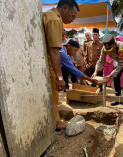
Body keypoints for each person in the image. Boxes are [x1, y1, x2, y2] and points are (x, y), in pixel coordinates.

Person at [43, 0, 79, 130]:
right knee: (54, 94)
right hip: (49, 64)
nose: (73, 19)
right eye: (73, 15)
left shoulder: (50, 16)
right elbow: (53, 50)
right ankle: (56, 122)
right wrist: (59, 77)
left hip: (48, 63)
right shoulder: (54, 20)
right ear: (64, 8)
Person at [92, 34, 123, 110]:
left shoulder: (122, 47)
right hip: (119, 61)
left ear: (114, 44)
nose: (110, 51)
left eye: (111, 49)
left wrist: (110, 75)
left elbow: (121, 65)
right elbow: (101, 61)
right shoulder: (104, 48)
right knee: (116, 78)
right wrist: (96, 71)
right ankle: (117, 98)